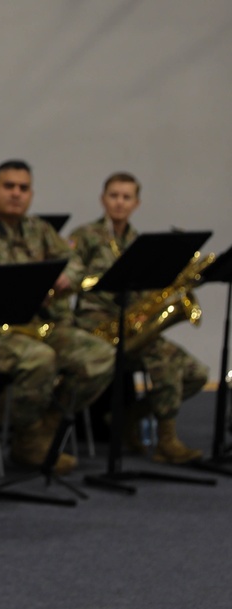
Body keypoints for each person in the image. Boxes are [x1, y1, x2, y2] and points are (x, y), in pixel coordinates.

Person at [0, 159, 115, 474]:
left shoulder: (37, 229)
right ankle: (23, 433)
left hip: (31, 326)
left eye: (23, 188)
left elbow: (74, 262)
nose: (16, 194)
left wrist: (64, 278)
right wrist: (27, 290)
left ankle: (41, 429)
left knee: (100, 356)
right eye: (8, 187)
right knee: (39, 360)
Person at [69, 172, 208, 464]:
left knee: (197, 375)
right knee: (163, 360)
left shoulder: (138, 242)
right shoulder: (84, 237)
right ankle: (167, 441)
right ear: (103, 199)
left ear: (136, 203)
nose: (119, 203)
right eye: (114, 196)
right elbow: (70, 276)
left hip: (131, 327)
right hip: (96, 326)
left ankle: (126, 420)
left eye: (126, 197)